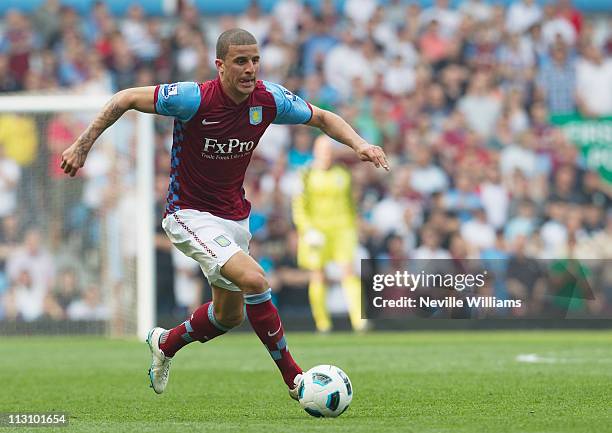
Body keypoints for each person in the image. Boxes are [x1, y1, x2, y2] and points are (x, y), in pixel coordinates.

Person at [60, 29, 389, 400]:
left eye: (255, 60)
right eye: (240, 61)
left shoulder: (269, 99)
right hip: (187, 214)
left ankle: (166, 343)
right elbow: (124, 98)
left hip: (234, 217)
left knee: (228, 316)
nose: (250, 69)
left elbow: (323, 118)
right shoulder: (192, 98)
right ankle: (296, 380)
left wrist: (361, 144)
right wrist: (81, 145)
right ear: (220, 65)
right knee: (256, 280)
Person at [292, 135, 367, 333]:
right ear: (316, 152)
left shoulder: (343, 173)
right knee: (318, 275)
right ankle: (323, 323)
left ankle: (359, 322)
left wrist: (355, 225)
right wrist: (307, 230)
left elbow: (350, 203)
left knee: (348, 272)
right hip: (317, 231)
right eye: (323, 151)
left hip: (342, 229)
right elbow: (299, 206)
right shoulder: (306, 174)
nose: (326, 155)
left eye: (329, 151)